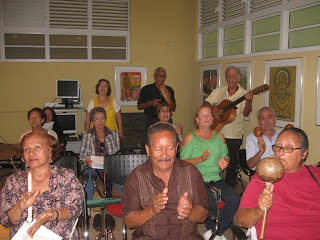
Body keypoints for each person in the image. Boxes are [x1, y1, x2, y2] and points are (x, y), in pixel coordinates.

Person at [122, 123, 209, 239]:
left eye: (170, 148)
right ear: (148, 150)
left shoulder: (191, 172)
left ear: (177, 147)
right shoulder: (137, 176)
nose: (164, 155)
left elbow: (203, 214)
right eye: (158, 149)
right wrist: (152, 210)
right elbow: (129, 221)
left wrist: (189, 210)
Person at [237, 128, 320, 239]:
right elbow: (242, 220)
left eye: (289, 147)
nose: (280, 152)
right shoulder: (264, 176)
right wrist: (259, 210)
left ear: (304, 153)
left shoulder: (315, 175)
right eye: (277, 146)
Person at [0, 131, 84, 239]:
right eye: (26, 149)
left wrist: (55, 214)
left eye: (37, 147)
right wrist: (19, 207)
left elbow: (76, 209)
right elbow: (5, 221)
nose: (31, 153)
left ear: (50, 151)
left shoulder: (65, 177)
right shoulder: (15, 181)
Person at [180, 106, 240, 240]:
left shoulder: (220, 136)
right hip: (197, 180)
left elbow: (226, 157)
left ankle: (215, 233)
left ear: (213, 119)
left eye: (209, 115)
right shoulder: (190, 137)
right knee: (210, 203)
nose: (206, 117)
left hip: (216, 179)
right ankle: (214, 232)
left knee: (235, 199)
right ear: (197, 120)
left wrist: (224, 161)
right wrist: (200, 159)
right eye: (202, 115)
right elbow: (182, 163)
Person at [203, 66, 253, 187]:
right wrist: (213, 108)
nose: (230, 79)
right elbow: (206, 103)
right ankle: (213, 186)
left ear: (239, 79)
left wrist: (248, 101)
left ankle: (228, 189)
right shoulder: (220, 90)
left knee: (231, 165)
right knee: (214, 161)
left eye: (233, 76)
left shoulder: (244, 94)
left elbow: (246, 113)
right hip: (217, 133)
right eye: (228, 76)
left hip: (234, 135)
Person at [80, 107, 120, 199]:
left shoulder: (113, 134)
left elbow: (117, 152)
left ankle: (127, 205)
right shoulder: (87, 135)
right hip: (93, 166)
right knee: (89, 177)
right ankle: (87, 206)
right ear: (92, 121)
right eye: (96, 119)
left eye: (102, 118)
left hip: (110, 166)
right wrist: (88, 161)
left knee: (122, 176)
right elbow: (82, 154)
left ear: (105, 119)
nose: (100, 121)